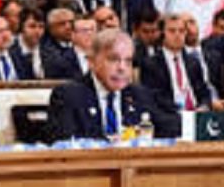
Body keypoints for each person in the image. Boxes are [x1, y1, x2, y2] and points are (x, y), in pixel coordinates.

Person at [48, 29, 179, 140]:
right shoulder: (68, 96)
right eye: (113, 59)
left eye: (128, 61)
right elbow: (65, 144)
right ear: (92, 62)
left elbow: (170, 127)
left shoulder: (139, 95)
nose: (122, 68)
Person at [140, 13, 210, 114]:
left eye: (181, 31)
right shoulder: (151, 64)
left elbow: (203, 91)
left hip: (197, 113)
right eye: (172, 31)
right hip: (170, 115)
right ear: (162, 33)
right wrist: (181, 111)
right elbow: (155, 98)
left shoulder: (193, 62)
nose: (177, 35)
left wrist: (204, 106)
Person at [11, 7, 47, 79]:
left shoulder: (49, 51)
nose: (37, 31)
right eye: (32, 26)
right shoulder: (9, 49)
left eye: (41, 27)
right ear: (21, 27)